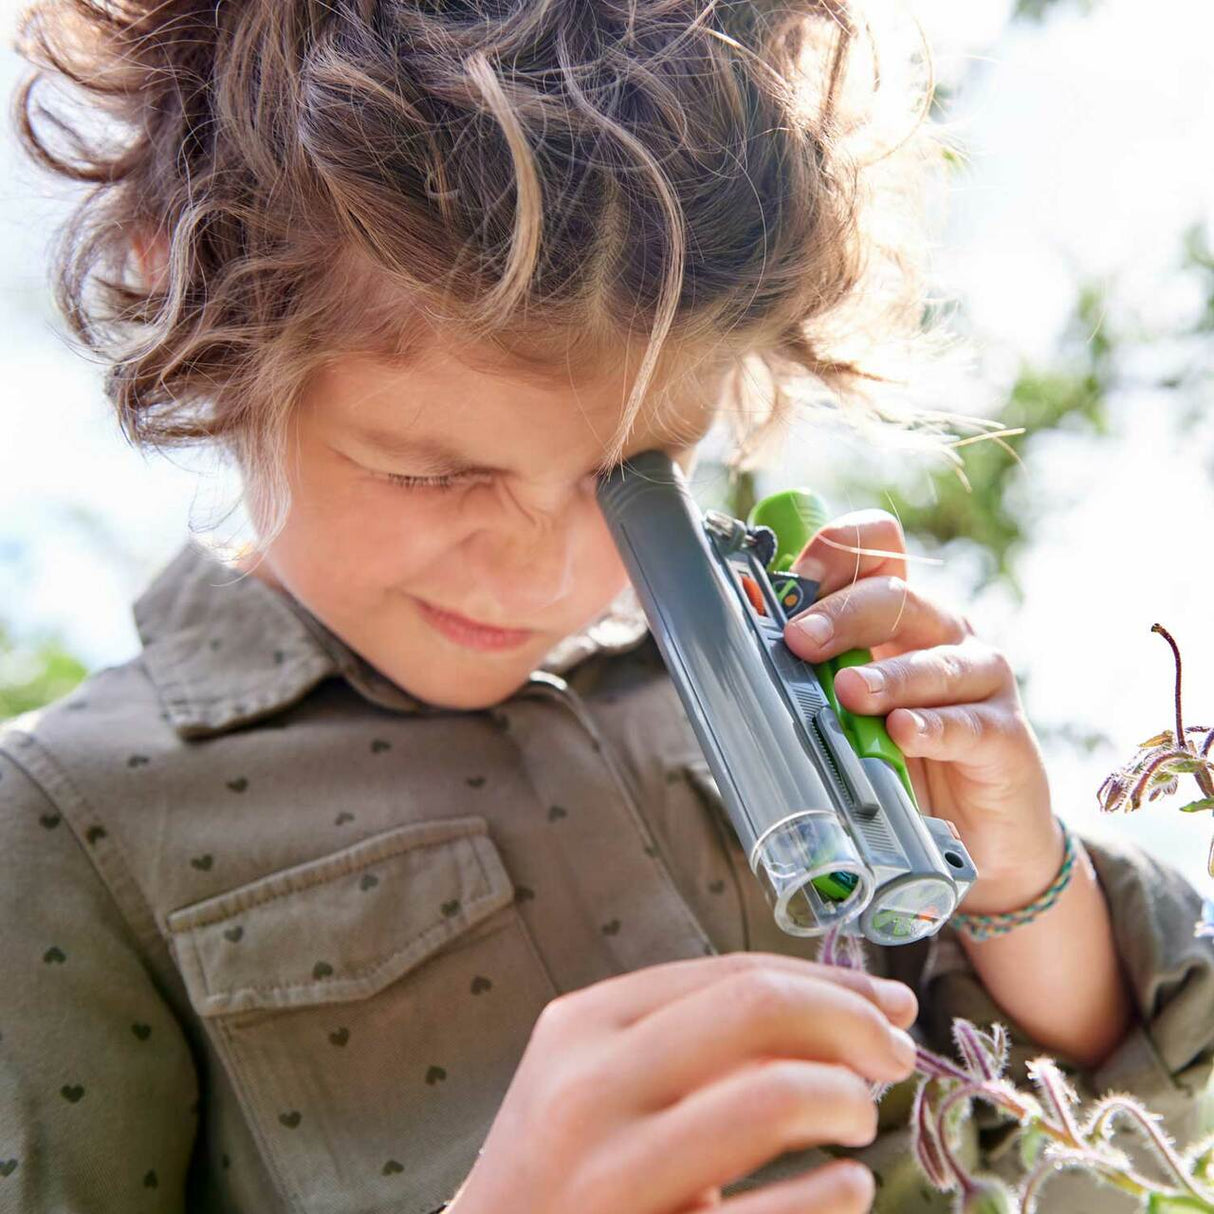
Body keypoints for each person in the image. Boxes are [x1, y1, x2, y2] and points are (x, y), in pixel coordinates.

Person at [3, 1, 1211, 1211]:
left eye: (637, 482)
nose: (542, 577)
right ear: (186, 276)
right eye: (433, 473)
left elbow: (1092, 1136)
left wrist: (1017, 878)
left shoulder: (766, 681)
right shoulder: (66, 820)